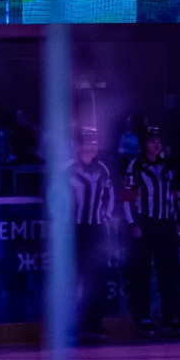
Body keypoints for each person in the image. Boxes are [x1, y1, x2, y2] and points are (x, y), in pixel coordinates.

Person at [122, 123, 180, 337]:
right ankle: (143, 318)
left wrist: (178, 221)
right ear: (143, 143)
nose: (157, 144)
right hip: (145, 224)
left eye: (159, 141)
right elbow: (127, 199)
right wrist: (133, 224)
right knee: (142, 273)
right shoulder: (135, 166)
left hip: (166, 224)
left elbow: (174, 197)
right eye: (152, 140)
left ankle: (171, 318)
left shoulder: (168, 167)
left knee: (170, 273)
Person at [69, 120, 116, 343]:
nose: (92, 146)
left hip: (96, 230)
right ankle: (72, 324)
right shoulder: (67, 171)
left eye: (95, 143)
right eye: (88, 142)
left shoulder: (103, 169)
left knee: (97, 279)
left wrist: (105, 219)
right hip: (76, 231)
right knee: (75, 279)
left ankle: (94, 324)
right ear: (78, 145)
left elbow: (110, 198)